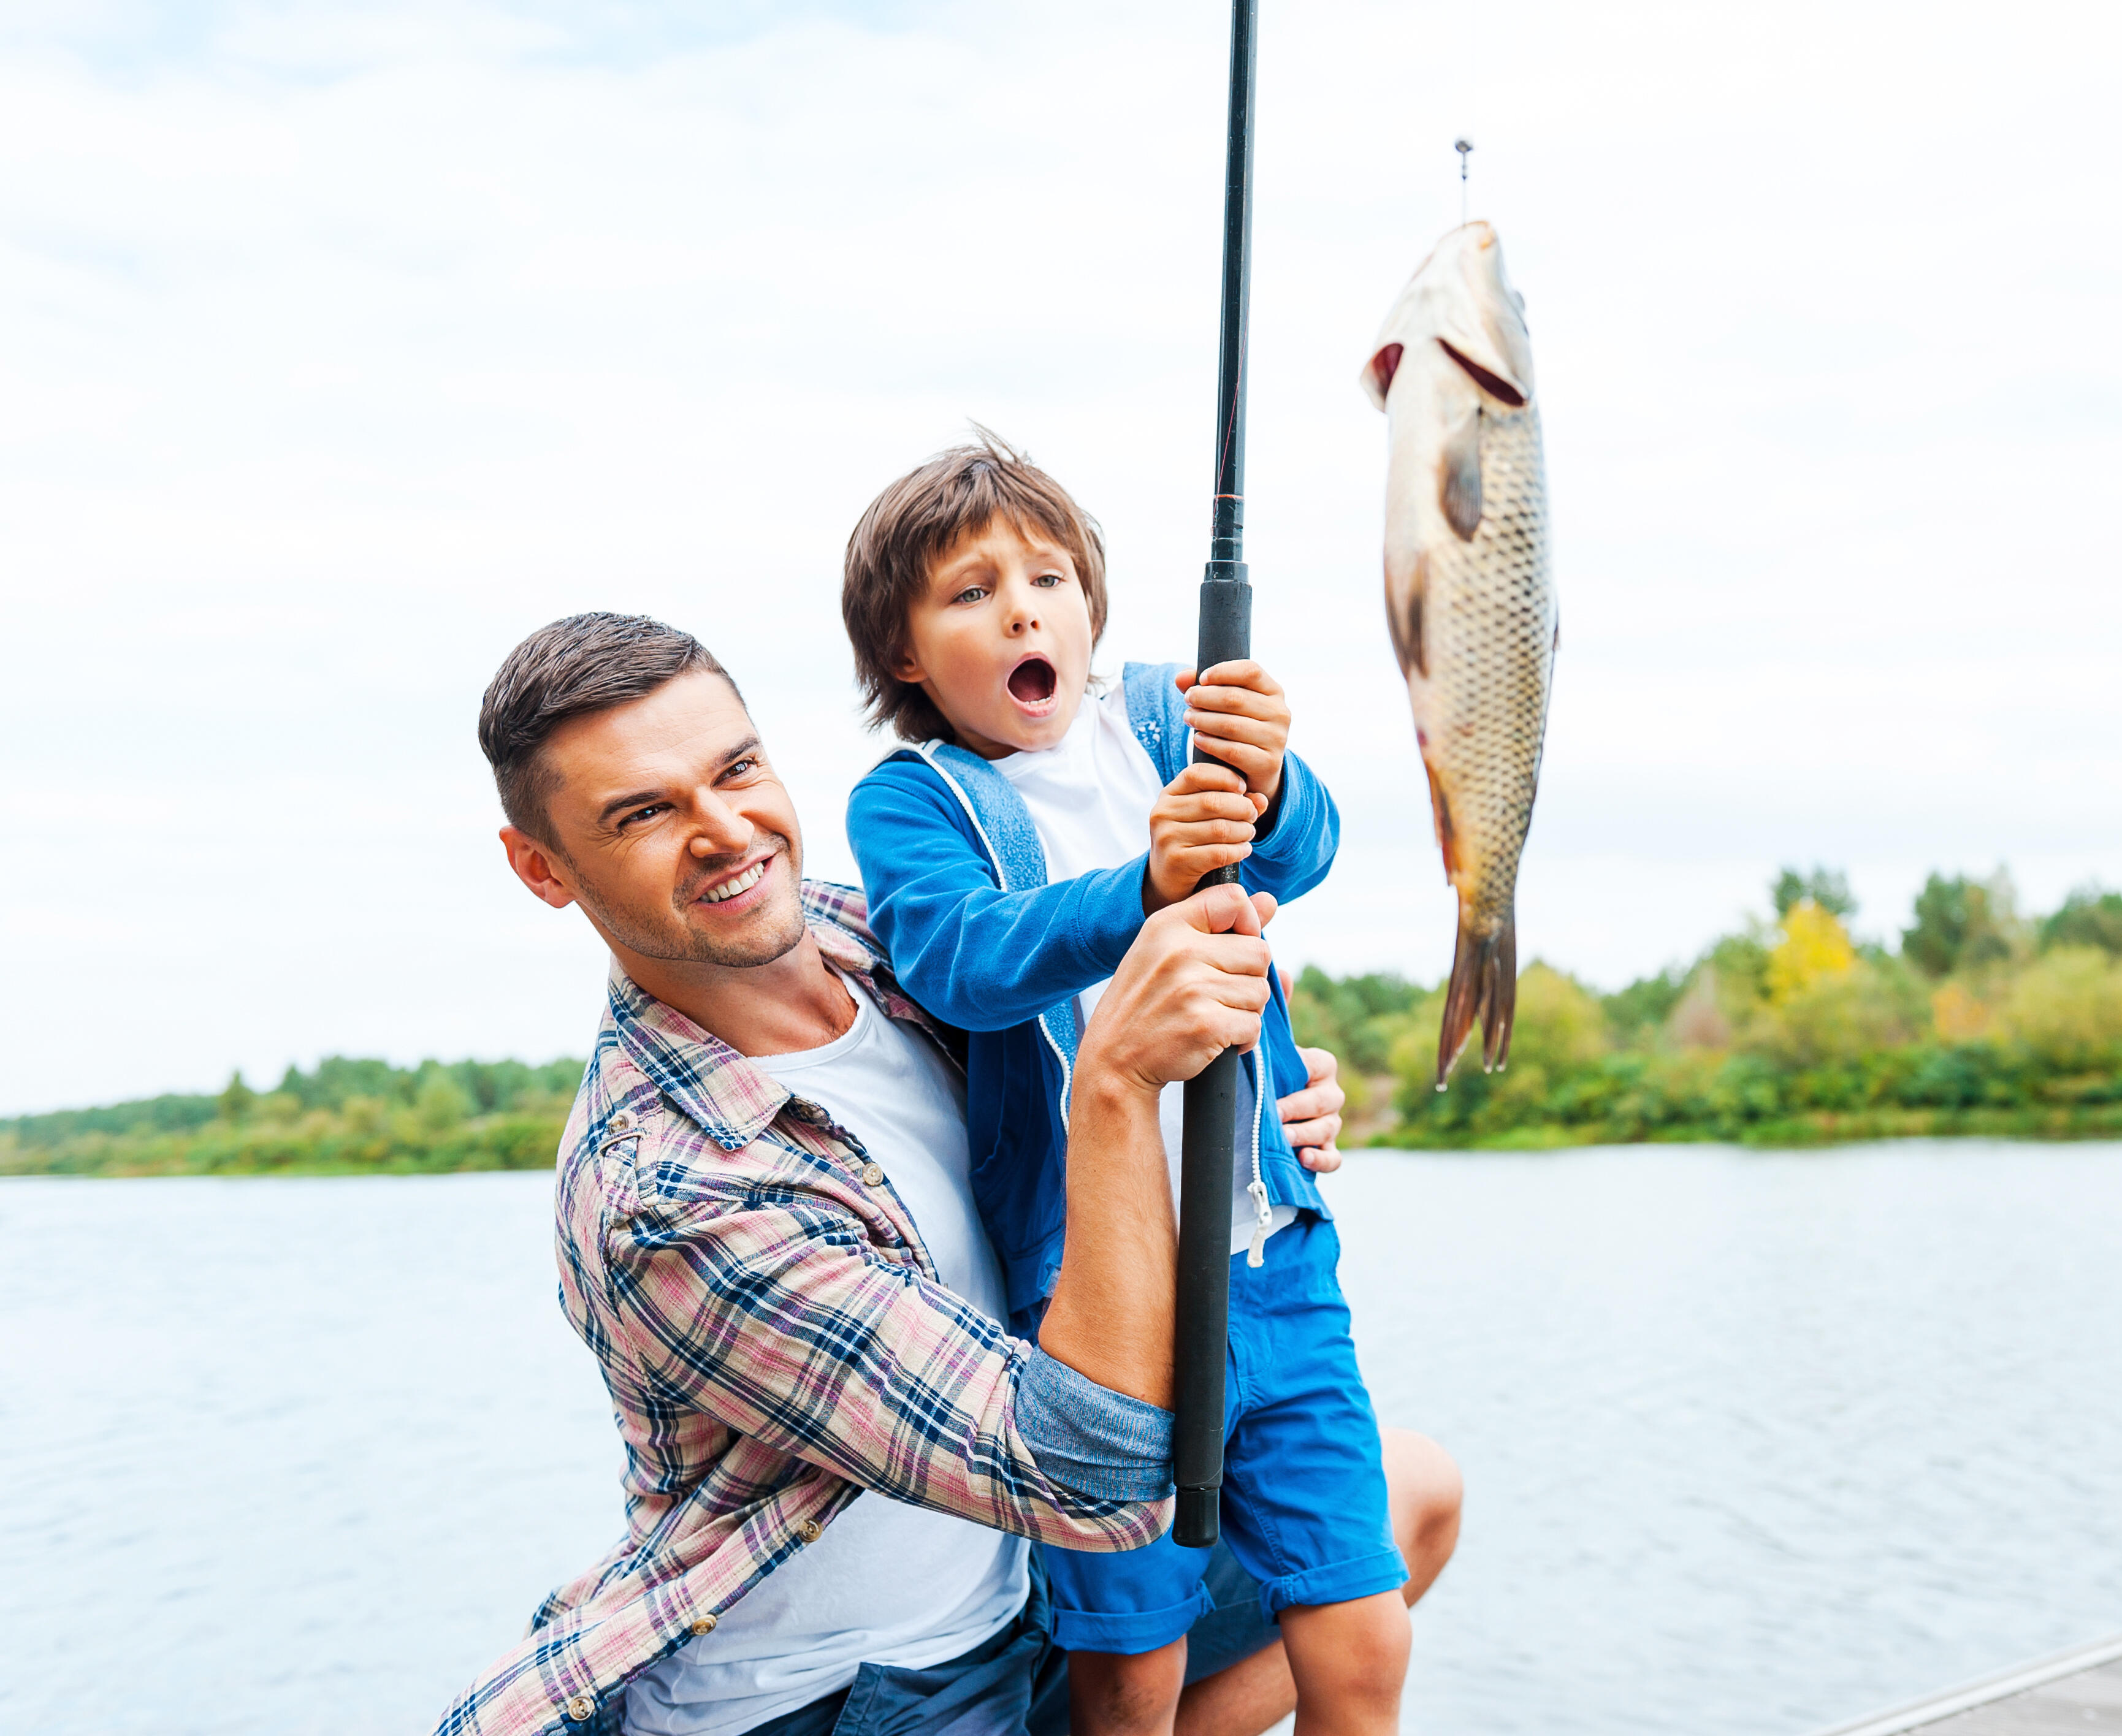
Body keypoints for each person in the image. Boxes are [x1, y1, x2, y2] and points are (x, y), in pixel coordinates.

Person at [438, 613, 1457, 1736]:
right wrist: (1118, 1083)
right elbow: (1082, 1477)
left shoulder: (877, 942)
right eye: (644, 813)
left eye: (736, 770)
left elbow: (1076, 979)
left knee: (1409, 1499)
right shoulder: (665, 1192)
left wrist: (1244, 1111)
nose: (726, 831)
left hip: (1017, 1601)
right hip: (855, 1695)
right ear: (543, 867)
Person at [839, 438, 1408, 1736]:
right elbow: (963, 958)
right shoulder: (917, 799)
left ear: (1095, 609)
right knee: (1129, 1666)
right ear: (907, 657)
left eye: (1049, 576)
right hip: (1092, 1300)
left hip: (1271, 1258)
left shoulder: (1161, 716)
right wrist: (1142, 890)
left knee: (1360, 1625)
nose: (1022, 606)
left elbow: (1302, 854)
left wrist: (1269, 775)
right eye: (970, 592)